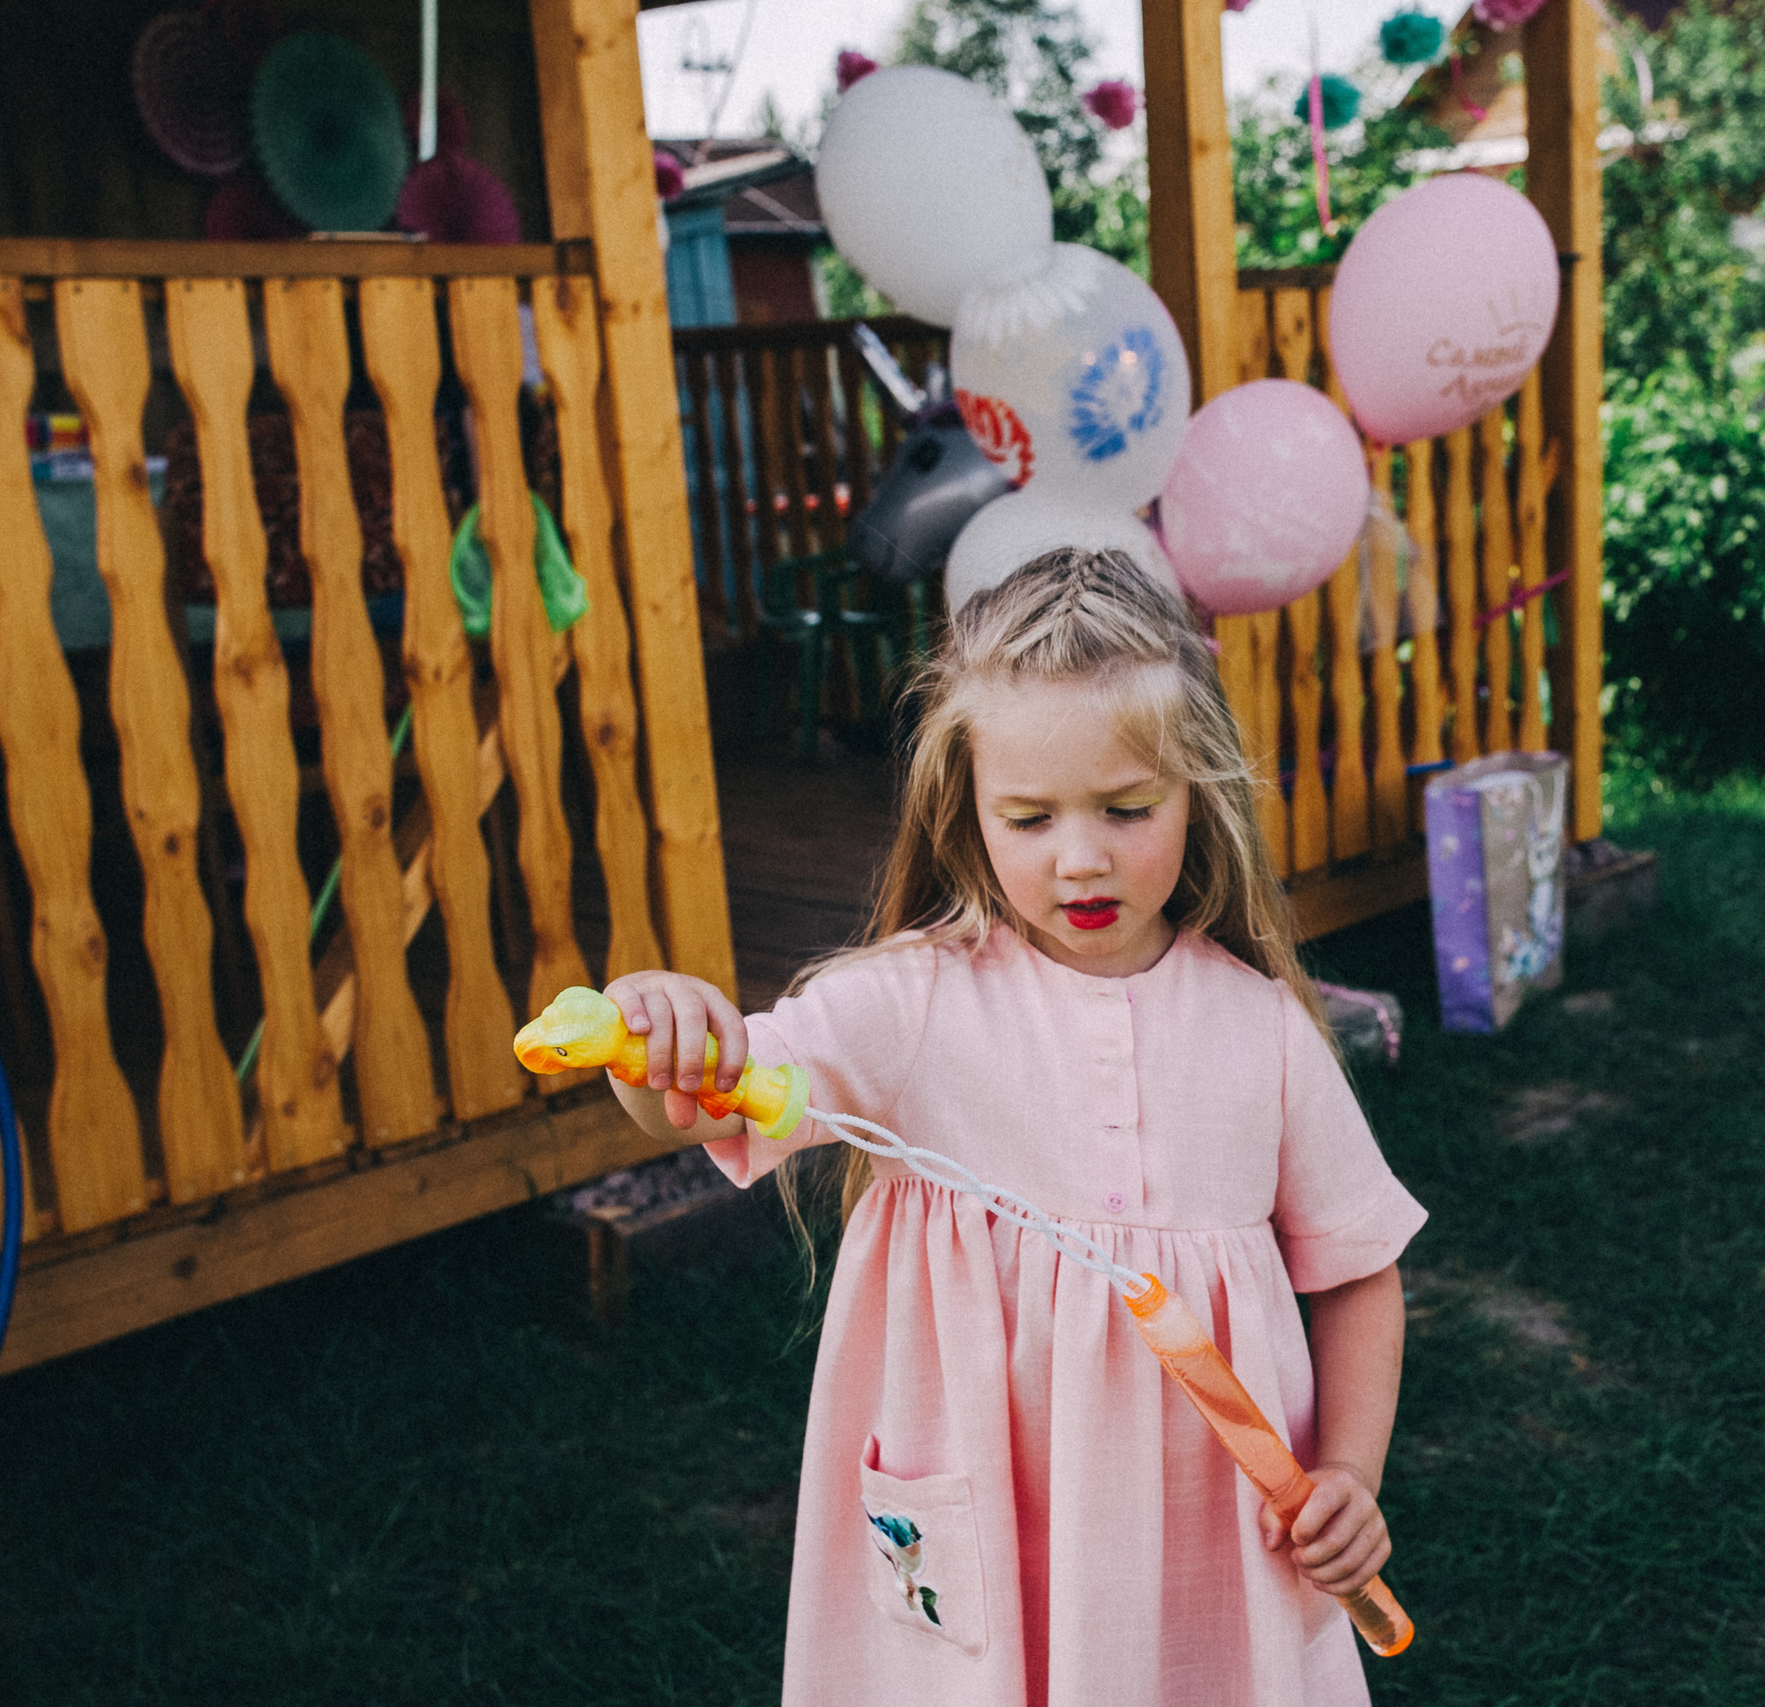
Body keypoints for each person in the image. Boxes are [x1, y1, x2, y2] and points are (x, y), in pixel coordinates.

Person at [602, 548, 1424, 1706]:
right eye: (1028, 817)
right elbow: (714, 1089)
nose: (1078, 857)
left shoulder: (1261, 1033)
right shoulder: (912, 1002)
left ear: (1197, 791)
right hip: (983, 1512)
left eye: (1127, 808)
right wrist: (666, 1037)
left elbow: (1356, 1272)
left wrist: (1348, 1469)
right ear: (967, 806)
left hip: (1207, 1536)